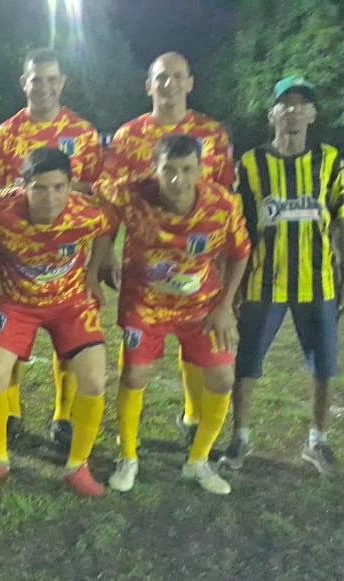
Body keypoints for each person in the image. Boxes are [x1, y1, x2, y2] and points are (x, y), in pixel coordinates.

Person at [98, 134, 250, 495]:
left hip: (202, 308)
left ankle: (198, 461)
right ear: (155, 168)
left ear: (200, 169)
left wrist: (226, 306)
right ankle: (128, 456)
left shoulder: (222, 204)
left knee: (223, 379)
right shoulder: (131, 193)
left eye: (187, 169)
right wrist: (103, 257)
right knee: (135, 374)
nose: (178, 179)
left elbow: (241, 252)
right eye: (169, 170)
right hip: (145, 304)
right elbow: (93, 198)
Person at [100, 51, 237, 449]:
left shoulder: (211, 134)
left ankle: (194, 415)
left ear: (190, 83)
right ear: (149, 86)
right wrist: (107, 249)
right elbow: (110, 199)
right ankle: (130, 447)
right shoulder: (128, 137)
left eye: (178, 76)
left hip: (200, 265)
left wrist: (226, 276)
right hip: (147, 271)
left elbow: (225, 200)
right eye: (162, 77)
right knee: (139, 363)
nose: (170, 84)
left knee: (200, 343)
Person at [220, 76, 344, 475]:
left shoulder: (329, 160)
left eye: (301, 104)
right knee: (247, 363)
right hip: (263, 281)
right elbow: (235, 229)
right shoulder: (251, 164)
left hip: (320, 282)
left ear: (312, 114)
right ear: (271, 113)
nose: (293, 110)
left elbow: (341, 221)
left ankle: (318, 439)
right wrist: (233, 285)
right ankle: (239, 437)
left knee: (324, 364)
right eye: (285, 104)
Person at [0, 47, 104, 449]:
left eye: (52, 79)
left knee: (70, 344)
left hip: (64, 261)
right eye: (37, 79)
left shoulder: (83, 133)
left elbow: (98, 199)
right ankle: (9, 412)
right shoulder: (6, 134)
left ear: (62, 82)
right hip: (16, 261)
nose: (44, 87)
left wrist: (97, 266)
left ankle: (63, 416)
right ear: (24, 84)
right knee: (7, 346)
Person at [0, 147, 112, 495]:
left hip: (69, 303)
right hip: (16, 302)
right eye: (39, 188)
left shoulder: (86, 213)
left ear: (70, 186)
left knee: (95, 380)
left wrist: (93, 275)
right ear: (23, 186)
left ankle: (77, 466)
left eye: (58, 187)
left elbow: (103, 232)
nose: (50, 197)